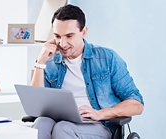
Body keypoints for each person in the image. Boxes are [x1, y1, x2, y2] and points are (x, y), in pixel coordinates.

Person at [30, 4, 144, 139]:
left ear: (83, 32)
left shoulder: (107, 58)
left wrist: (101, 113)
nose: (62, 43)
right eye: (57, 36)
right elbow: (36, 107)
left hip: (98, 125)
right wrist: (40, 63)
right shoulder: (50, 62)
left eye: (69, 36)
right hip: (59, 122)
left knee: (63, 129)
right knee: (40, 124)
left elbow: (137, 104)